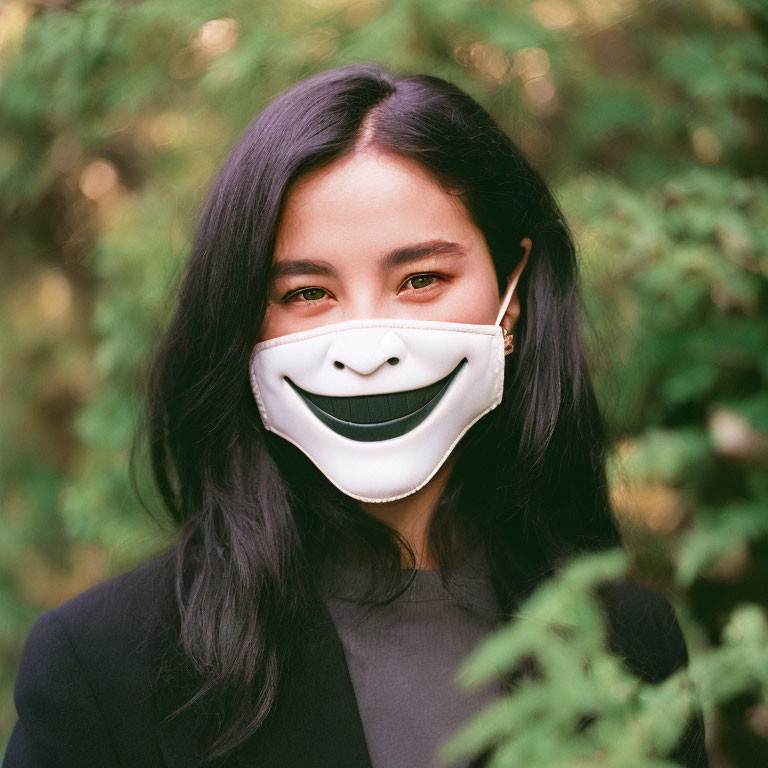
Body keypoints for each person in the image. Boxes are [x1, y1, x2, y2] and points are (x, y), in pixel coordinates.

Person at [3, 62, 708, 768]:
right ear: (240, 321)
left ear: (512, 296)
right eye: (308, 292)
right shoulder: (102, 668)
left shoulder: (632, 643)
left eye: (421, 279)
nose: (367, 349)